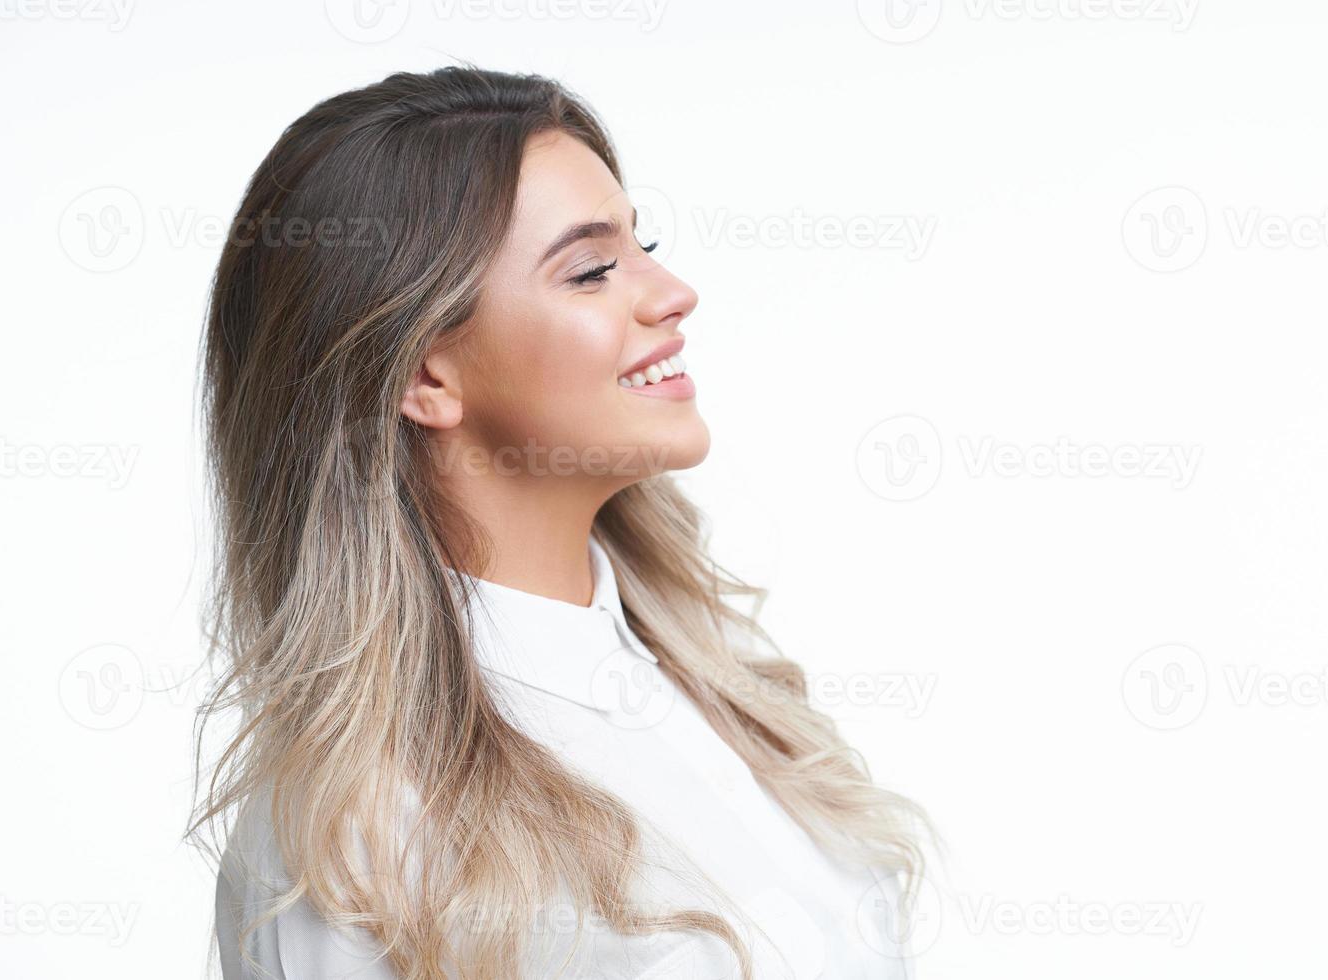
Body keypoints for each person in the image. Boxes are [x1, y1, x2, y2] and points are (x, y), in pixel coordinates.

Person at [189, 64, 936, 979]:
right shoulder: (360, 833)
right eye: (591, 271)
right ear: (426, 377)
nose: (671, 293)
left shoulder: (717, 690)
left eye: (642, 242)